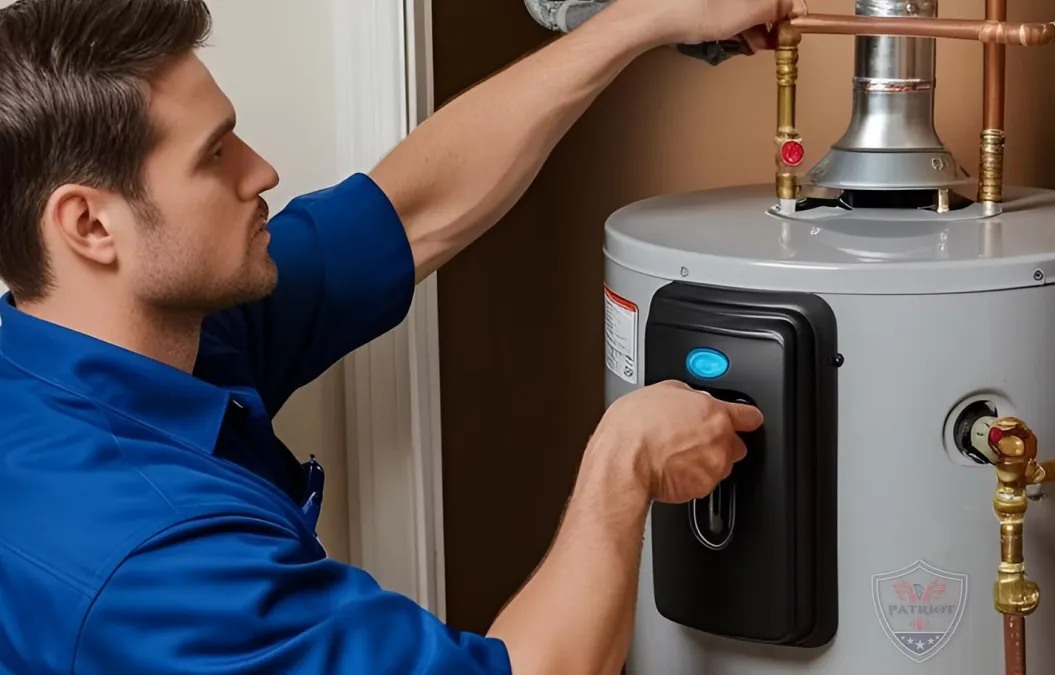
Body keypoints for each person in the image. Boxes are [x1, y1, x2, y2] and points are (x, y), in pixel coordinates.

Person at [0, 0, 798, 673]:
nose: (262, 171)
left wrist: (638, 19)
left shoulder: (119, 339)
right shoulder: (154, 562)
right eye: (214, 154)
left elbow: (411, 210)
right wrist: (623, 466)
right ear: (89, 223)